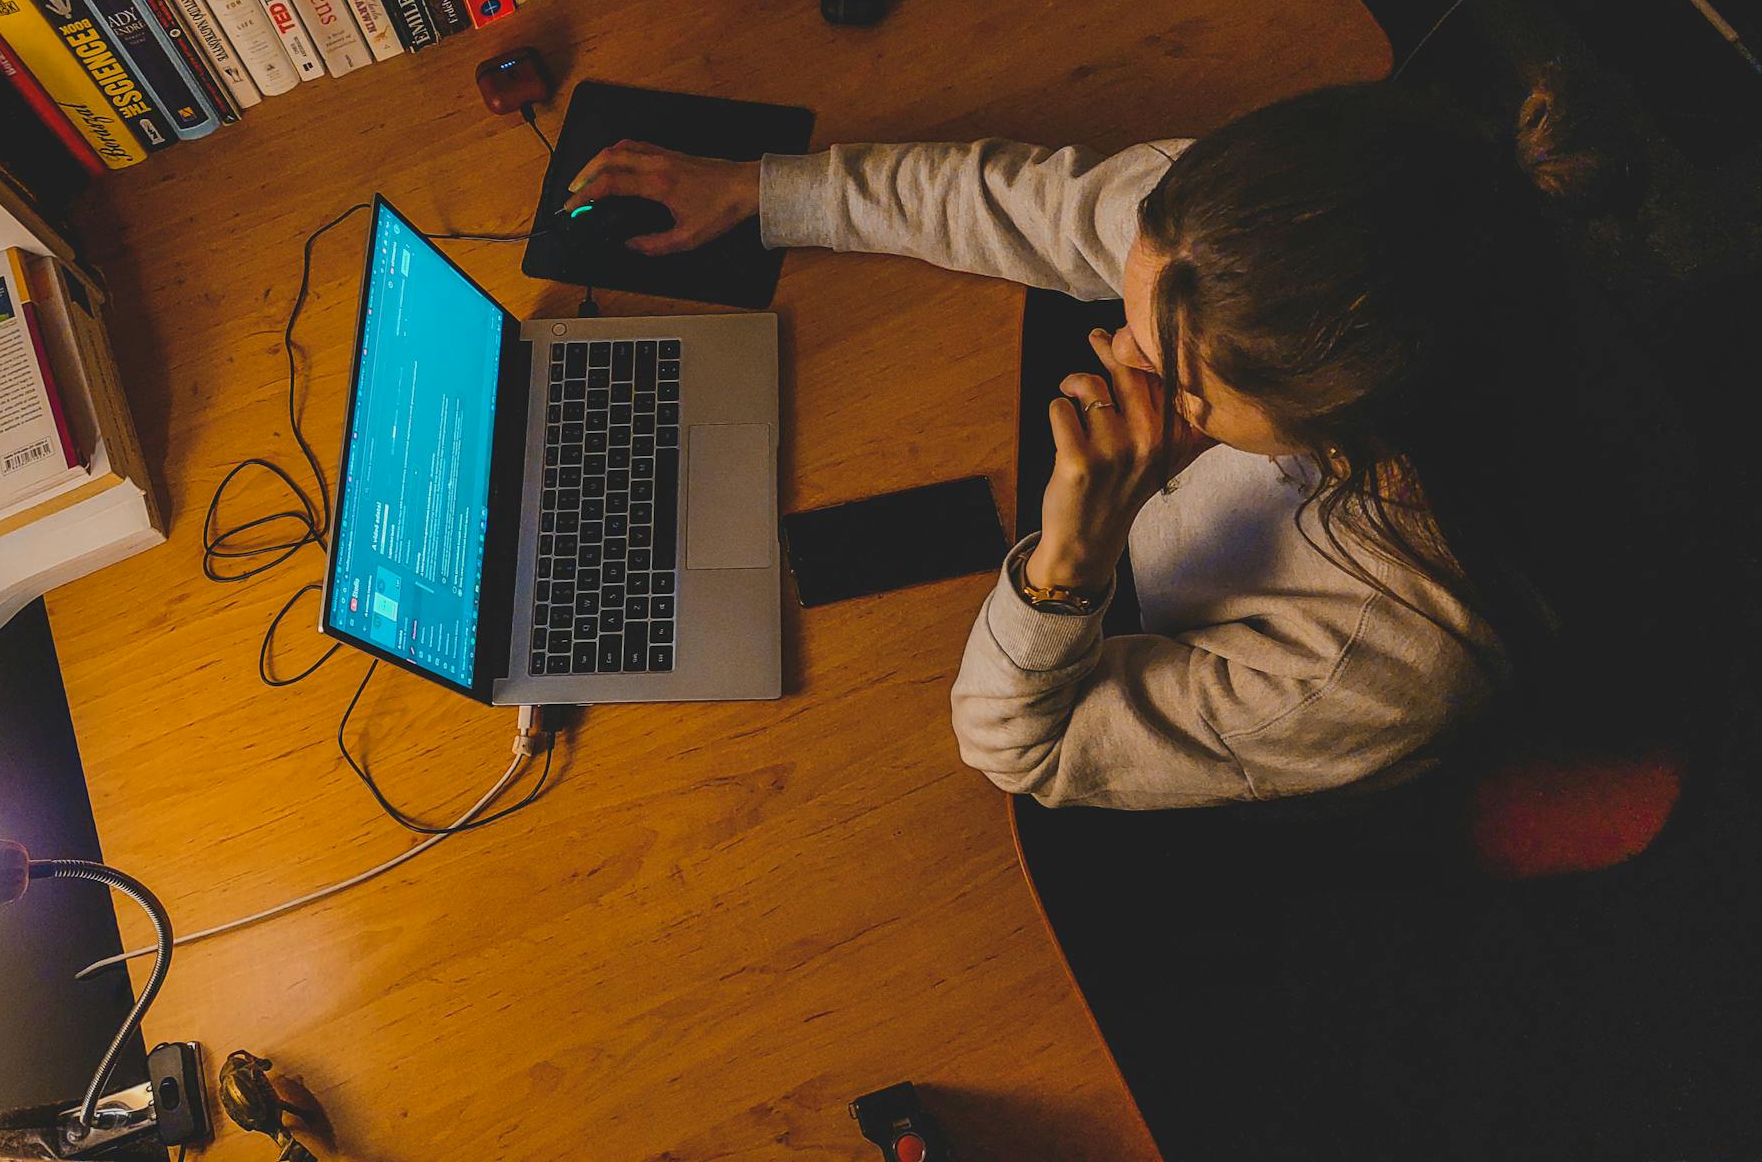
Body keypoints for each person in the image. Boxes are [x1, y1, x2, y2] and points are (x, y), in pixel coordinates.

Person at [566, 80, 1652, 810]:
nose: (1112, 344)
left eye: (1180, 381)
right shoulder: (1235, 249)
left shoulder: (1376, 661)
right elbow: (1025, 205)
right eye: (1130, 298)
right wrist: (762, 191)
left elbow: (1017, 749)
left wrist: (1066, 565)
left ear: (1336, 428)